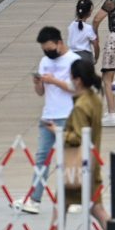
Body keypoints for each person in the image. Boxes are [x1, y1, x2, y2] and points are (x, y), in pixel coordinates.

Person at [20, 59, 109, 230]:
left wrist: (57, 132)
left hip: (77, 167)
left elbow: (77, 137)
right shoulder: (95, 99)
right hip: (90, 162)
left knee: (92, 209)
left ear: (78, 80)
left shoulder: (81, 106)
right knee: (81, 207)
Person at [17, 26, 80, 214]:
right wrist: (38, 84)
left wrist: (54, 81)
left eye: (49, 47)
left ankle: (74, 198)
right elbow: (41, 92)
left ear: (59, 43)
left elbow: (77, 88)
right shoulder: (44, 61)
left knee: (69, 158)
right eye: (44, 49)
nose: (47, 52)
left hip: (67, 115)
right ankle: (34, 199)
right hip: (48, 115)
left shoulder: (74, 61)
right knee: (41, 158)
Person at [68, 0, 98, 65]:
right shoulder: (88, 28)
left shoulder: (71, 26)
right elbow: (95, 44)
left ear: (77, 10)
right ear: (90, 12)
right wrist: (96, 58)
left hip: (72, 57)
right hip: (85, 57)